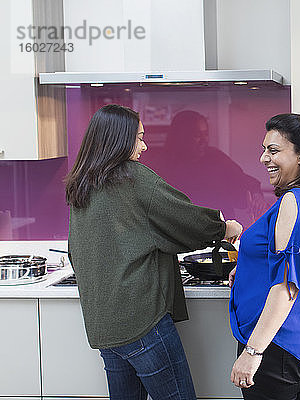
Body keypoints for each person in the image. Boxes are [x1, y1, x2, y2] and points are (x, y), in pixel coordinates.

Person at [65, 104, 242, 399]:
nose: (144, 146)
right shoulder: (131, 177)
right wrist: (223, 228)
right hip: (141, 321)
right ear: (119, 140)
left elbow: (76, 251)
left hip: (104, 327)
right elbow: (182, 218)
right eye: (139, 138)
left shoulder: (83, 183)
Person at [228, 113, 300, 400]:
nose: (264, 158)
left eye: (274, 150)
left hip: (276, 345)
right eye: (264, 149)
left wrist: (252, 353)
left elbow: (287, 286)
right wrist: (246, 270)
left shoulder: (293, 201)